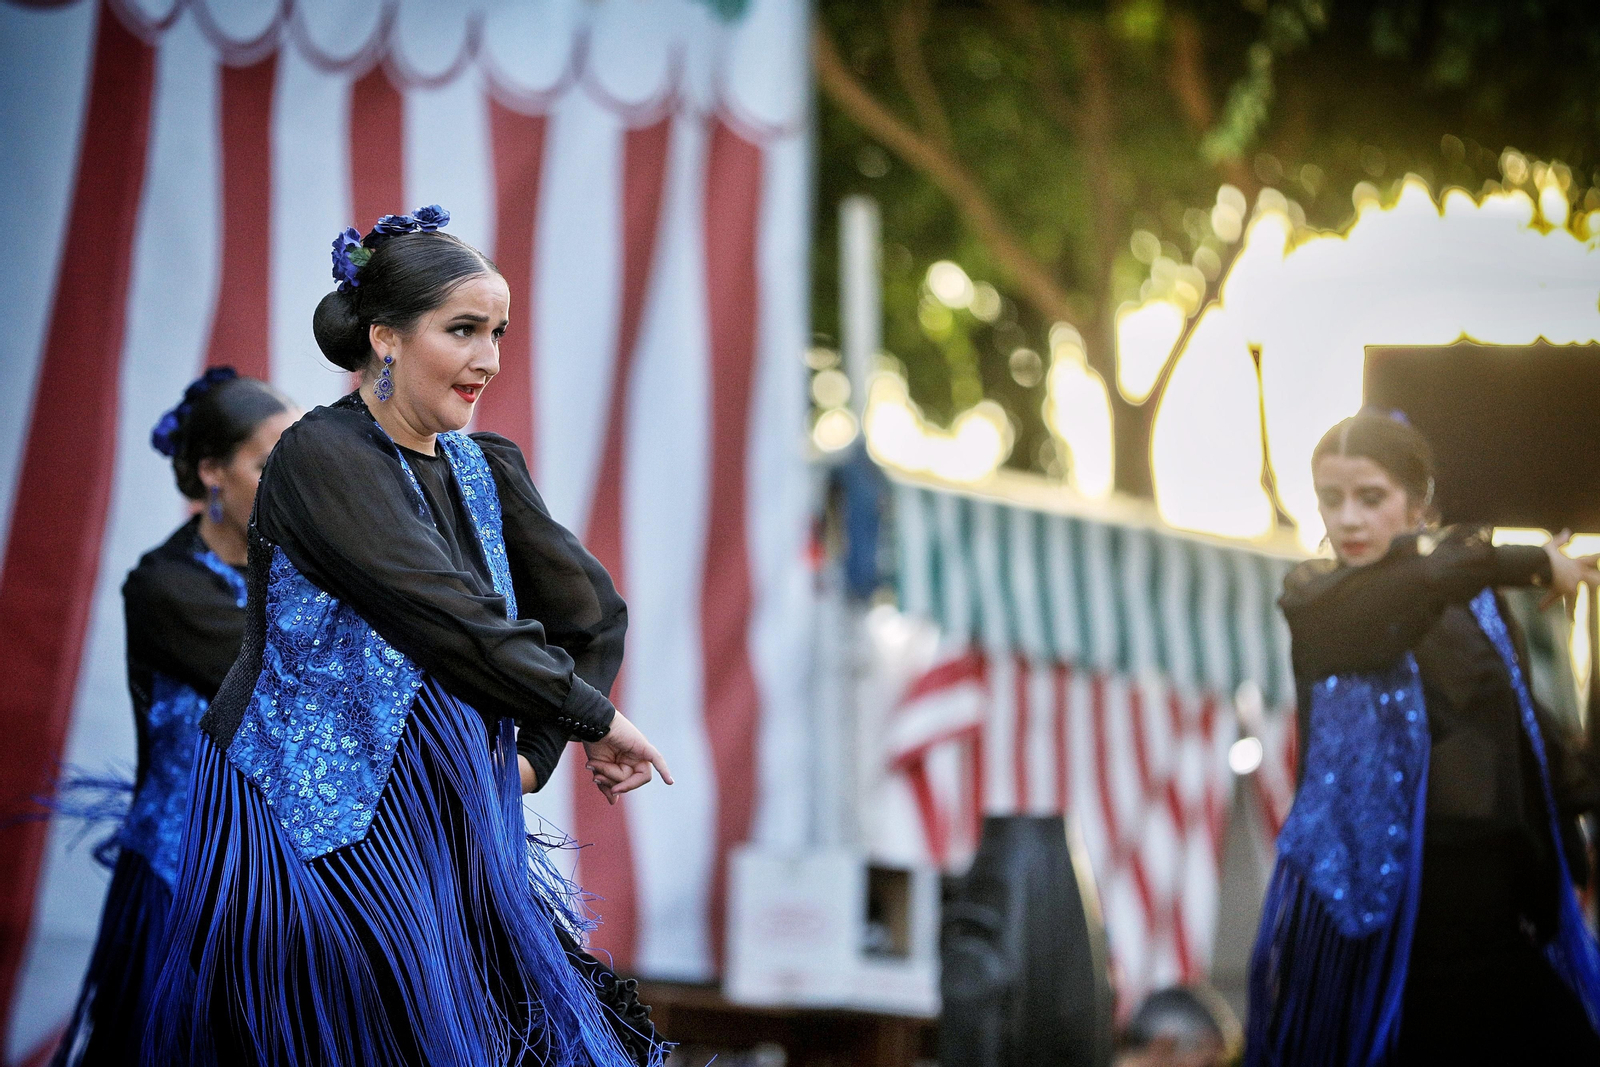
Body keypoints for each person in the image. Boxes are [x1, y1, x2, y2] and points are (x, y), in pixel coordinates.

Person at [145, 207, 673, 1066]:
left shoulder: (485, 464)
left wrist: (532, 755)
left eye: (497, 332)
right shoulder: (320, 456)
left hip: (444, 830)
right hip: (304, 826)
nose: (488, 359)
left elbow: (592, 615)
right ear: (385, 337)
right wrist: (594, 719)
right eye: (463, 330)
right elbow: (444, 616)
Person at [1244, 409, 1600, 1065]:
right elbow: (1423, 583)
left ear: (1417, 503)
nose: (1348, 517)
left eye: (1370, 497)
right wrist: (1522, 562)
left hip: (1494, 919)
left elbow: (1524, 735)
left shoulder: (1478, 607)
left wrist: (1568, 859)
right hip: (1381, 936)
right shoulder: (1318, 599)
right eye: (1332, 498)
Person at [50, 369, 295, 1066]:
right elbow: (287, 694)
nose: (292, 484)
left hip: (285, 891)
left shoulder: (302, 576)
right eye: (267, 464)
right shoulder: (166, 587)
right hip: (184, 887)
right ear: (213, 471)